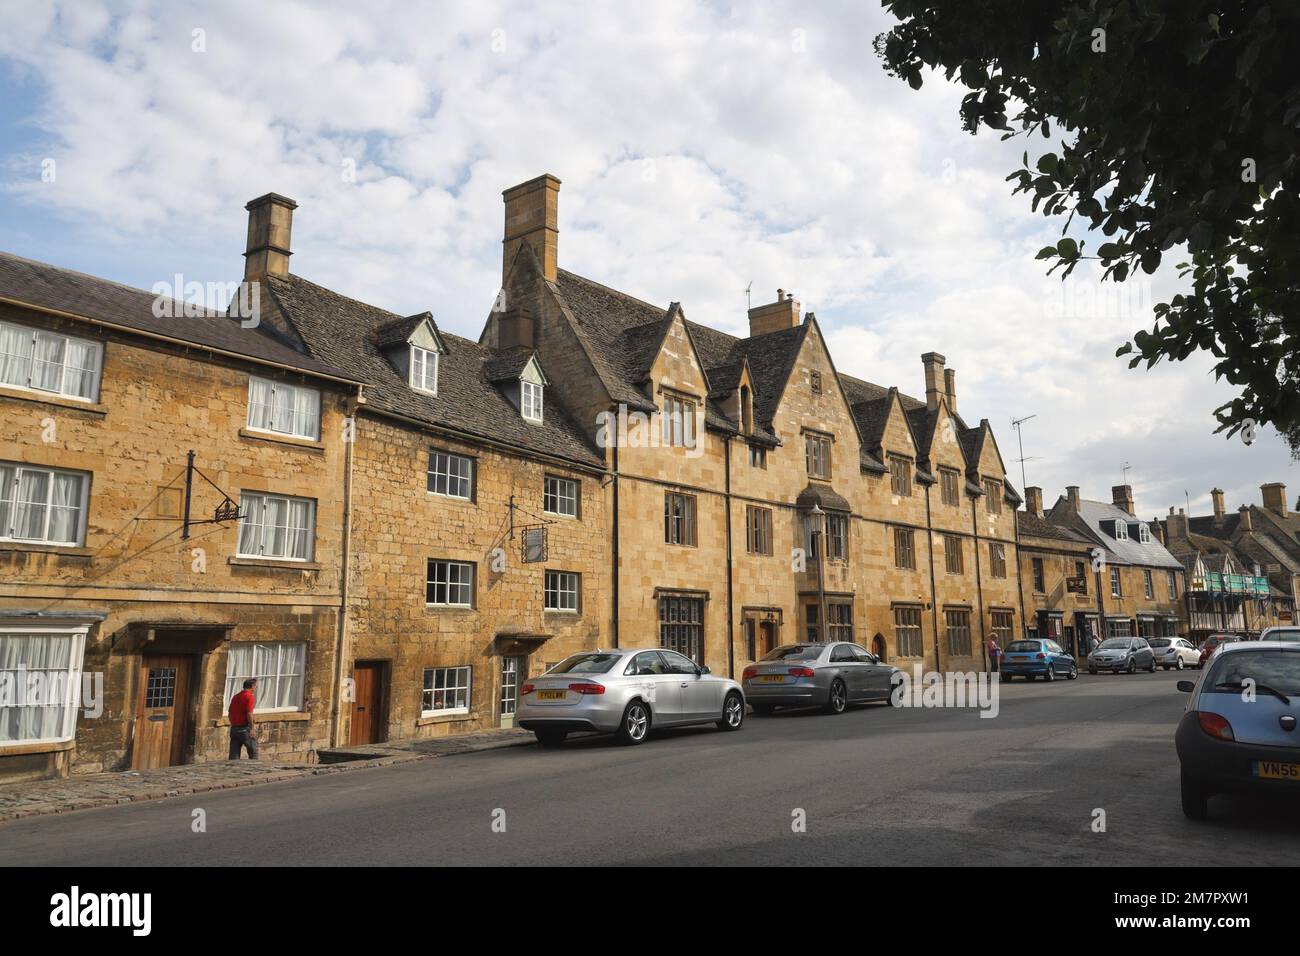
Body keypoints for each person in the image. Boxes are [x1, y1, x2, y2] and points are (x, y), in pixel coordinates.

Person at [228, 677, 258, 760]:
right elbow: (249, 713)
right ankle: (254, 771)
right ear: (252, 686)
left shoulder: (235, 697)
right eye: (256, 686)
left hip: (234, 729)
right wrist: (252, 728)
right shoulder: (249, 697)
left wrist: (233, 723)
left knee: (234, 755)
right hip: (244, 728)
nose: (256, 688)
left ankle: (232, 771)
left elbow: (230, 713)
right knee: (253, 753)